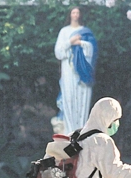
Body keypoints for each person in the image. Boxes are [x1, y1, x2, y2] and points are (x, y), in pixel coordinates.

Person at [54, 6, 97, 134]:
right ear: (70, 15)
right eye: (73, 12)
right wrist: (70, 42)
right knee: (69, 99)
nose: (75, 15)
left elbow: (92, 50)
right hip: (68, 72)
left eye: (77, 12)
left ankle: (81, 132)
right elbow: (59, 52)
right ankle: (69, 132)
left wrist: (81, 44)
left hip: (82, 72)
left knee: (82, 99)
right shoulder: (64, 31)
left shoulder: (85, 32)